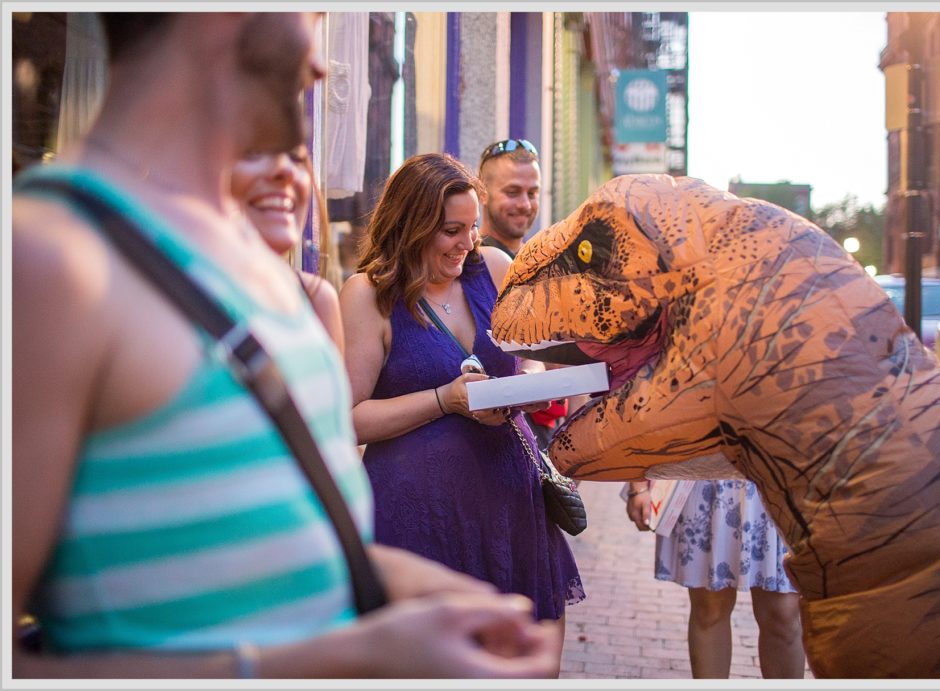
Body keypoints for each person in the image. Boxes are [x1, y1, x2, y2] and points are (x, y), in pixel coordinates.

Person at [12, 12, 561, 679]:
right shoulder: (46, 260)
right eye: (306, 14)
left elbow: (283, 550)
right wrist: (346, 655)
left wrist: (434, 597)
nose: (326, 54)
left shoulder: (269, 270)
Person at [339, 152, 585, 672]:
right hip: (416, 516)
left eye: (473, 227)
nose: (467, 243)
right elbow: (351, 417)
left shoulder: (495, 268)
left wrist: (526, 388)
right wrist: (444, 400)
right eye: (451, 230)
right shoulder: (369, 295)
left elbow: (535, 360)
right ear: (411, 226)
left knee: (530, 662)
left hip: (508, 504)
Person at [626, 478, 805, 679]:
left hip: (775, 474)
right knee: (710, 609)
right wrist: (638, 486)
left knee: (783, 614)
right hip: (707, 473)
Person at [477, 138, 566, 449]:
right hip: (501, 437)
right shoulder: (473, 265)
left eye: (533, 193)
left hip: (545, 435)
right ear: (482, 193)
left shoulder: (536, 261)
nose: (526, 205)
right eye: (512, 192)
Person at [231, 145, 345, 356]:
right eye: (255, 154)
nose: (286, 171)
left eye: (296, 158)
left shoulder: (318, 299)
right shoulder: (167, 293)